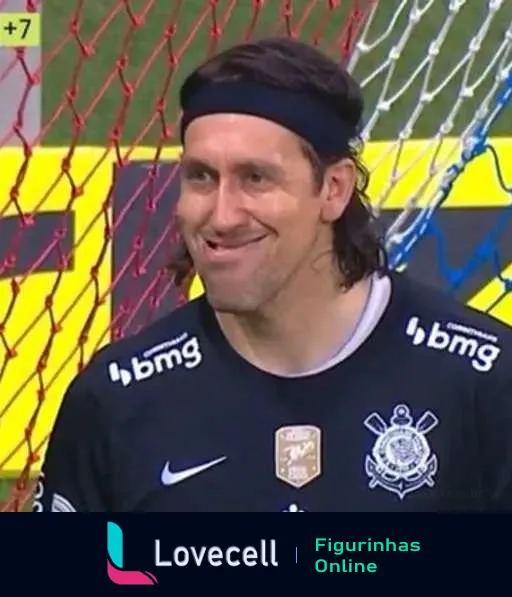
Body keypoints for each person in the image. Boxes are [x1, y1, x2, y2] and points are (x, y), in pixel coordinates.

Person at [32, 36, 512, 513]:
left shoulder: (485, 382)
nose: (221, 216)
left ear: (334, 189)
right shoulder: (116, 401)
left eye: (255, 178)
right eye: (200, 176)